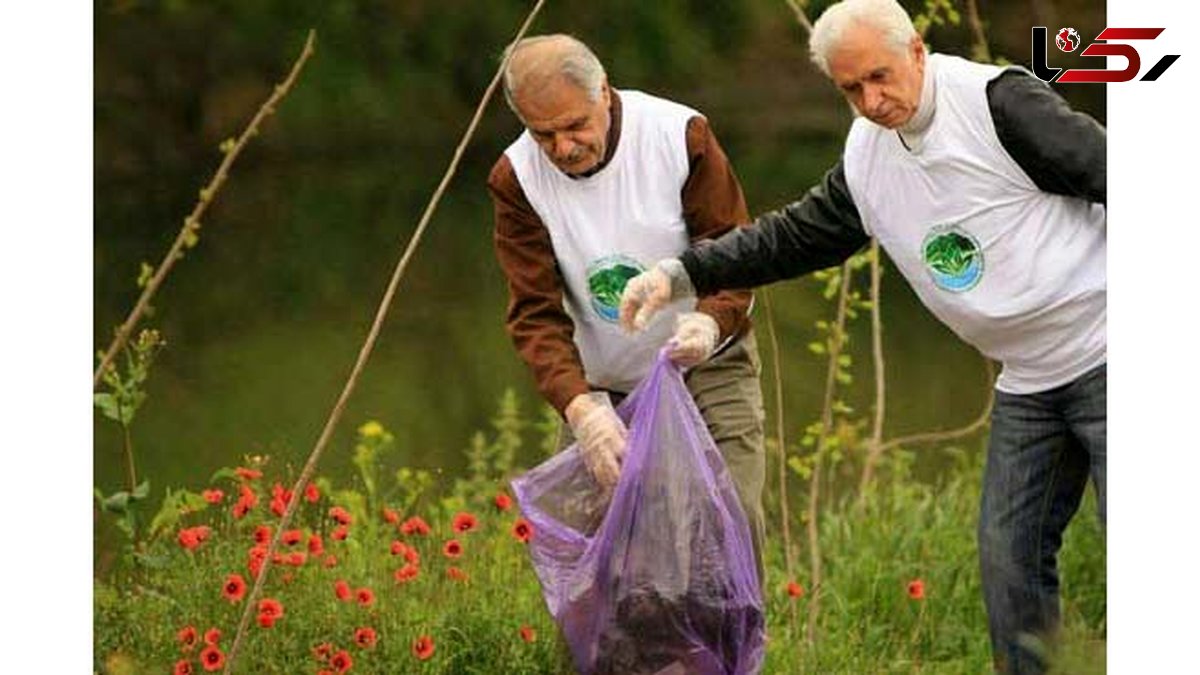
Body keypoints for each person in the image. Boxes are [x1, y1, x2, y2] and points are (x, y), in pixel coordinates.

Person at [618, 1, 1105, 673]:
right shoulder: (868, 157)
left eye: (880, 76)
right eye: (852, 89)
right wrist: (679, 273)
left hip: (1112, 349)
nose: (872, 100)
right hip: (1028, 378)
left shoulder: (998, 103)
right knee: (1008, 557)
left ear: (917, 54)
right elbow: (794, 236)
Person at [488, 34, 768, 577]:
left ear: (606, 95)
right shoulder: (516, 178)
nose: (564, 147)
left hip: (706, 361)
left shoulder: (677, 135)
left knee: (729, 517)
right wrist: (581, 409)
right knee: (598, 552)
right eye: (544, 134)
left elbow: (738, 255)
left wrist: (709, 324)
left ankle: (728, 658)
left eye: (575, 126)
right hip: (603, 384)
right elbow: (534, 314)